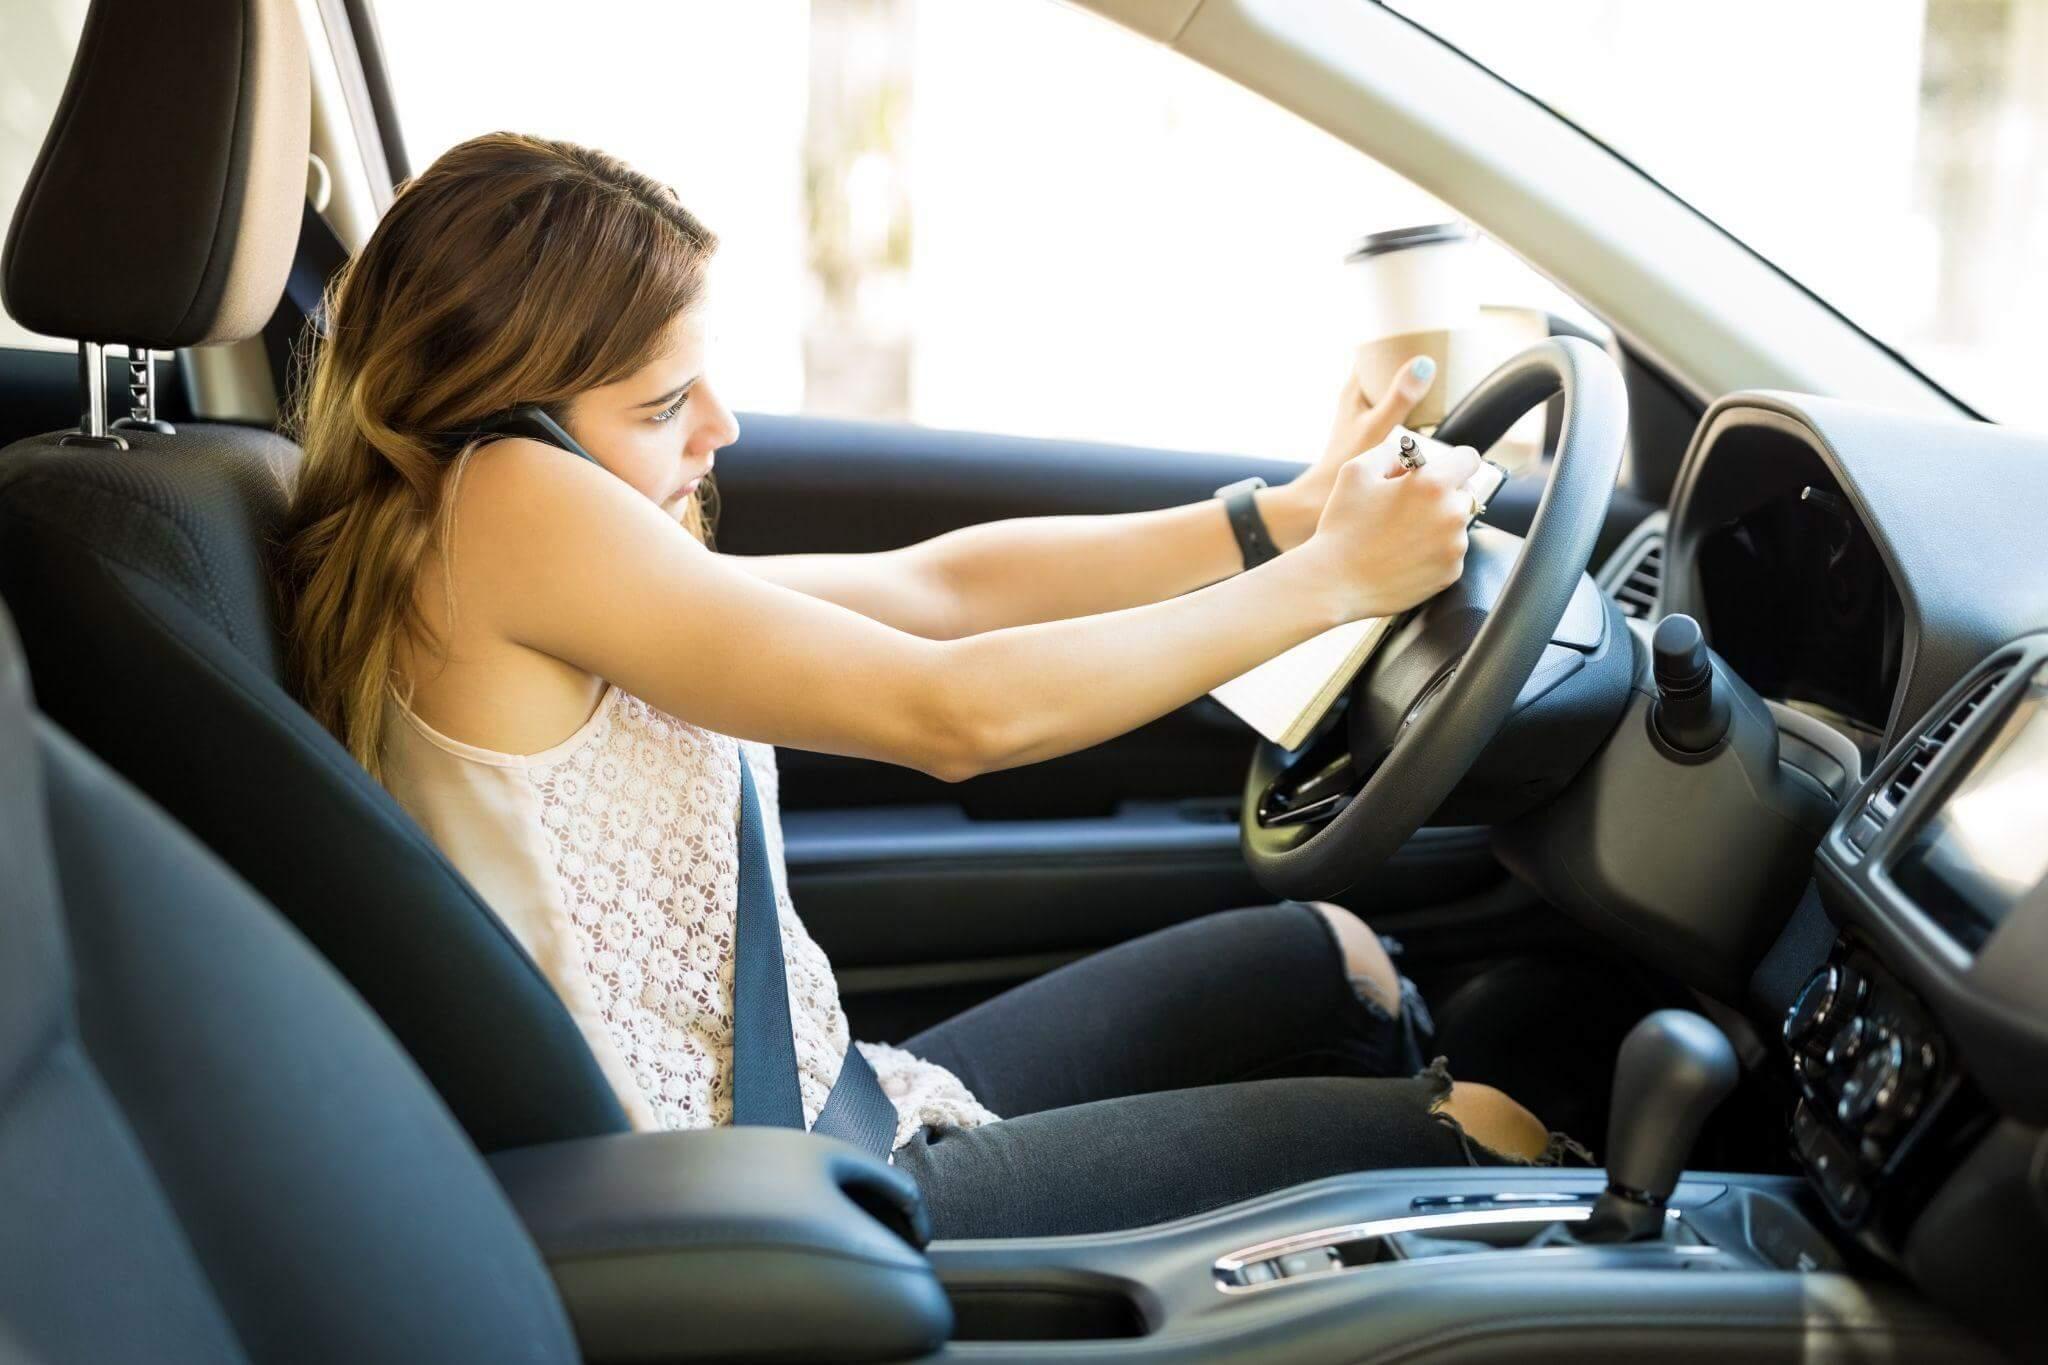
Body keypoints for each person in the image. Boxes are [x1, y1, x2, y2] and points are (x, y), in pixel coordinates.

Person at [280, 132, 1585, 1240]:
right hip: (768, 1210)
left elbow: (935, 593)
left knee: (1334, 959)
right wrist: (1333, 582)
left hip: (829, 1103)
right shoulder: (503, 501)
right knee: (1495, 1138)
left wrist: (1283, 521)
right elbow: (956, 713)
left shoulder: (496, 521)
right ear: (510, 408)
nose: (720, 426)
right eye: (665, 398)